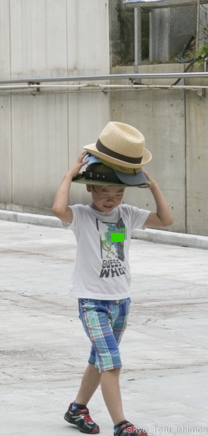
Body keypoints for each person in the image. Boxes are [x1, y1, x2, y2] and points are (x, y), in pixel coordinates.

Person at [52, 122, 174, 436]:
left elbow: (166, 219)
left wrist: (151, 185)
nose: (111, 199)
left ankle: (77, 408)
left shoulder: (127, 214)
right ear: (90, 188)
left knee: (99, 359)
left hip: (121, 301)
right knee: (112, 363)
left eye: (118, 193)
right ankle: (122, 424)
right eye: (105, 192)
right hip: (92, 302)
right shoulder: (81, 215)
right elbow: (57, 209)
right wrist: (69, 175)